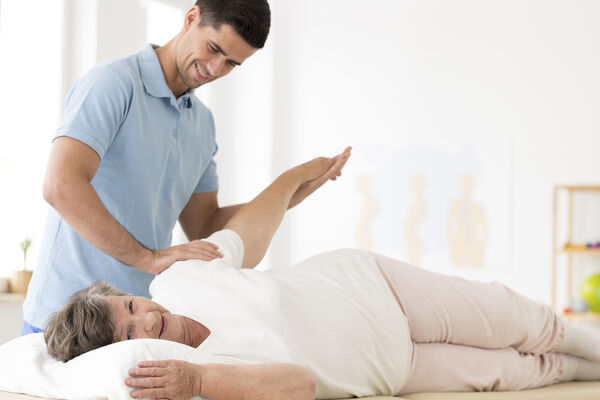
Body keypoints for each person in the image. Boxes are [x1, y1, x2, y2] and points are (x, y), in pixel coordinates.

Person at [44, 148, 600, 399]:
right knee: (520, 372)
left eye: (130, 307)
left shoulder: (177, 279)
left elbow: (245, 235)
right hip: (393, 369)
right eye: (128, 334)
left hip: (376, 288)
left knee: (518, 320)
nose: (145, 320)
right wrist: (197, 382)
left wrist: (293, 180)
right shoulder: (190, 378)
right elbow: (300, 385)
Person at [22, 0, 282, 334]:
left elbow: (204, 225)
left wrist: (287, 192)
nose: (216, 69)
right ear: (192, 17)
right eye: (214, 49)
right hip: (65, 318)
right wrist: (149, 259)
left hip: (138, 325)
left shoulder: (202, 124)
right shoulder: (114, 82)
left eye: (231, 63)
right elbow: (61, 185)